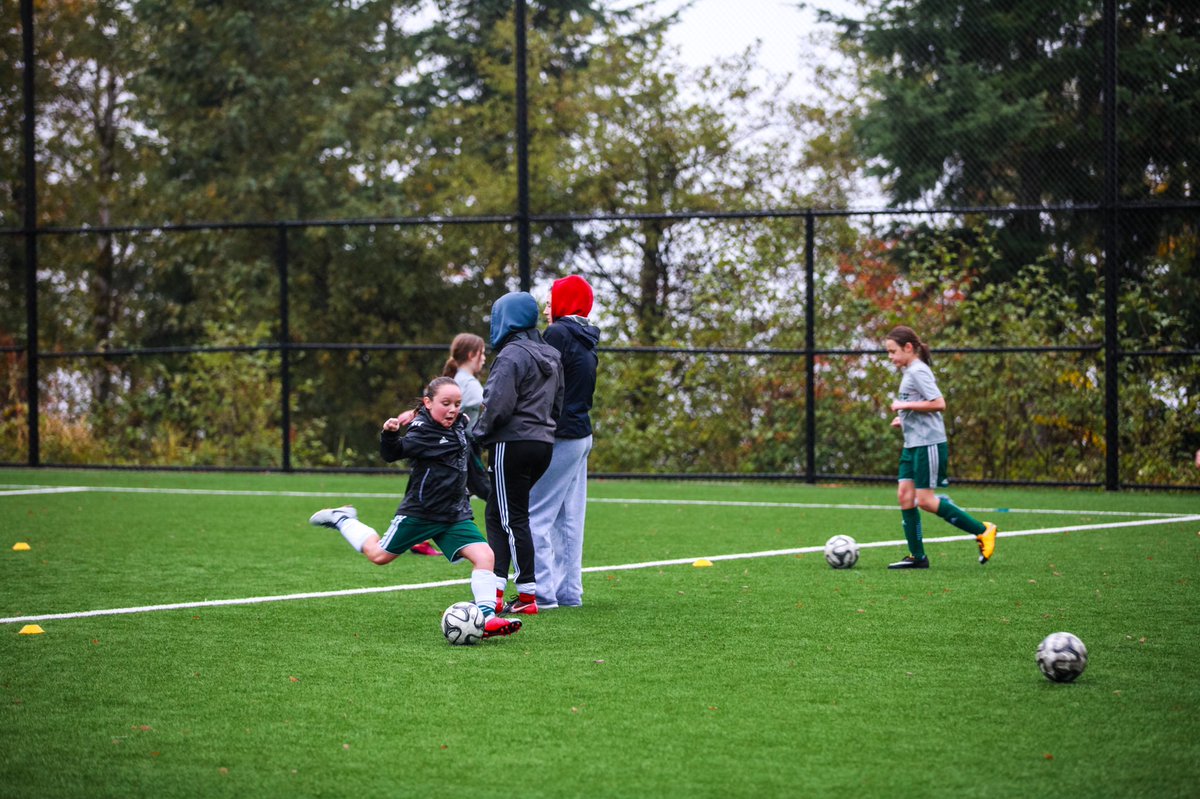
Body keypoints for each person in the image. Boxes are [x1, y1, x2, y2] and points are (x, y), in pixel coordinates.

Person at [307, 376, 520, 638]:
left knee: (485, 556)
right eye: (446, 403)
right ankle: (342, 518)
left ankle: (487, 618)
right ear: (429, 403)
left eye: (457, 403)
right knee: (379, 556)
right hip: (421, 512)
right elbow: (393, 452)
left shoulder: (459, 423)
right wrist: (390, 433)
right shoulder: (423, 432)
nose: (453, 409)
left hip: (454, 514)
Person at [473, 291, 563, 616]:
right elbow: (558, 405)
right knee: (501, 513)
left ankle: (525, 596)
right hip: (543, 444)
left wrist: (477, 436)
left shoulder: (511, 355)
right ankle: (497, 593)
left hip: (511, 442)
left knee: (509, 519)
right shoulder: (552, 354)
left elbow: (498, 405)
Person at [883, 325, 998, 569]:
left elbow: (938, 403)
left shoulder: (918, 371)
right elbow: (919, 406)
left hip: (928, 443)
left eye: (893, 352)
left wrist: (904, 407)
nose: (890, 357)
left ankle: (983, 530)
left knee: (924, 500)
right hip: (912, 443)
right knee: (905, 496)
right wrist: (903, 419)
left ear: (908, 348)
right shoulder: (908, 371)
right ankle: (918, 557)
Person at [528, 276, 600, 609]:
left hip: (560, 434)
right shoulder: (585, 335)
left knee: (536, 514)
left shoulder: (558, 333)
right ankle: (569, 592)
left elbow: (540, 377)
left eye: (551, 299)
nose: (545, 307)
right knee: (568, 518)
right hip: (581, 433)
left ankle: (541, 593)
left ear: (565, 301)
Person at [444, 333, 487, 432]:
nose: (484, 358)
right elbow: (493, 407)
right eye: (482, 353)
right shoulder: (470, 383)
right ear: (471, 355)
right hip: (463, 443)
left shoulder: (456, 378)